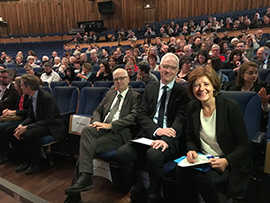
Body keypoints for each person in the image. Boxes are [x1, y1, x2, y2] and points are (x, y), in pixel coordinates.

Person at [115, 53, 190, 203]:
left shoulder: (183, 91)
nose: (167, 70)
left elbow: (181, 119)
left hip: (170, 137)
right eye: (165, 67)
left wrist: (166, 137)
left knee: (153, 155)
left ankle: (154, 193)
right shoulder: (151, 87)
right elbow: (141, 115)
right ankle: (138, 186)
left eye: (172, 68)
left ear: (177, 70)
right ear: (160, 68)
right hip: (149, 133)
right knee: (122, 153)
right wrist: (156, 130)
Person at [64, 68, 140, 203]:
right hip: (101, 129)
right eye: (116, 79)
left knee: (85, 150)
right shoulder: (110, 93)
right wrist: (96, 122)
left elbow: (134, 117)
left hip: (118, 133)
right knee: (87, 130)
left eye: (122, 78)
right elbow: (98, 110)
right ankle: (86, 176)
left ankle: (76, 192)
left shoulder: (135, 96)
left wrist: (111, 125)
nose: (119, 81)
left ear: (128, 79)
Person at [178, 66, 249, 203]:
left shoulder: (230, 107)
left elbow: (244, 145)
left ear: (214, 86)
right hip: (203, 159)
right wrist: (191, 150)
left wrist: (226, 161)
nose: (201, 88)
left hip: (226, 160)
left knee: (202, 178)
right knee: (180, 171)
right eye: (197, 85)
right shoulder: (192, 107)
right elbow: (189, 138)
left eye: (206, 84)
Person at [8, 74, 65, 175]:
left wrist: (27, 127)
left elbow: (49, 120)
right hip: (40, 123)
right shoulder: (31, 96)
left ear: (28, 86)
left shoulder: (46, 97)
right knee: (17, 130)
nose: (20, 87)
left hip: (52, 126)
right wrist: (22, 125)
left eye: (22, 85)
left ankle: (36, 164)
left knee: (28, 133)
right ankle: (26, 161)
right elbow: (30, 116)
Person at [0, 77, 30, 164]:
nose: (15, 87)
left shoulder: (27, 95)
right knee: (3, 126)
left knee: (5, 128)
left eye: (16, 85)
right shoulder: (19, 95)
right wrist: (9, 111)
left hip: (23, 118)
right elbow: (16, 107)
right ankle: (5, 152)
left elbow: (27, 111)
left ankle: (8, 154)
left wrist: (13, 112)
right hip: (18, 116)